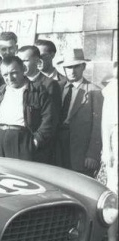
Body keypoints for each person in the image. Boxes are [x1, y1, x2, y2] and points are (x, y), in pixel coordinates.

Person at [0, 56, 54, 161]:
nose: (10, 78)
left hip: (23, 140)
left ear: (23, 70)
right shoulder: (0, 91)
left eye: (14, 73)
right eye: (5, 75)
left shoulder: (38, 91)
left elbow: (49, 119)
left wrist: (36, 141)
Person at [55, 48, 103, 176]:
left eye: (76, 66)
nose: (72, 71)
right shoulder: (57, 88)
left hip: (80, 153)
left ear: (83, 66)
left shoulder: (95, 91)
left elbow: (98, 126)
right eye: (69, 67)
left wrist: (92, 154)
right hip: (57, 150)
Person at [17, 45, 62, 164]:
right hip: (18, 143)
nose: (21, 64)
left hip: (38, 147)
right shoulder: (18, 83)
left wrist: (36, 141)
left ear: (37, 61)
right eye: (19, 61)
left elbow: (51, 118)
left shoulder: (49, 85)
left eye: (25, 60)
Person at [99, 62, 117, 241]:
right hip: (116, 140)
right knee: (114, 192)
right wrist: (107, 149)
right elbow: (106, 124)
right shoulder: (111, 90)